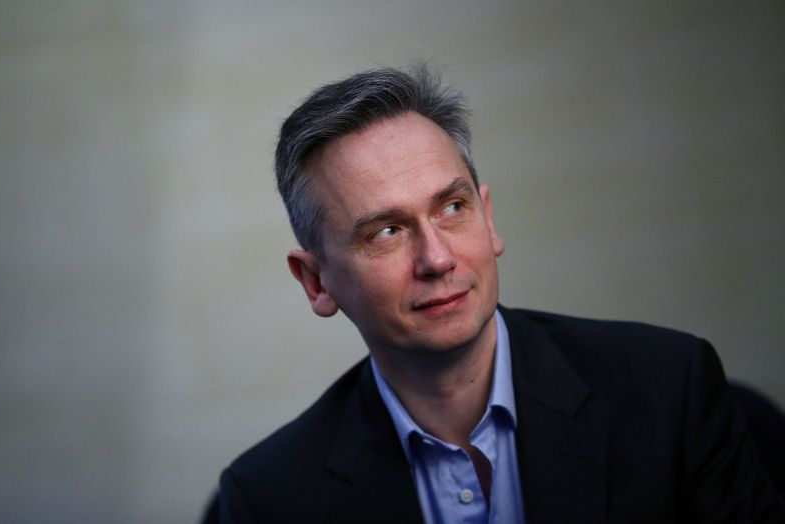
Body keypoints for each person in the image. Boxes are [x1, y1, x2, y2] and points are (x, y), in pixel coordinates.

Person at [218, 64, 784, 523]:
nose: (437, 259)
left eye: (452, 208)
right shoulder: (267, 499)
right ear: (316, 282)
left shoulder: (671, 395)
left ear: (488, 220)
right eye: (386, 232)